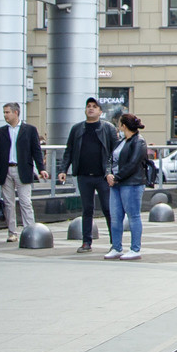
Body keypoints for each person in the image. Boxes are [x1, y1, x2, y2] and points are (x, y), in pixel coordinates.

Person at [61, 98, 115, 252]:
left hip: (103, 176)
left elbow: (115, 152)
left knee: (107, 208)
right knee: (87, 209)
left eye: (94, 107)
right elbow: (69, 151)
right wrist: (63, 170)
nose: (91, 109)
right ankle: (86, 242)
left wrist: (112, 172)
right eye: (88, 106)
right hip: (84, 175)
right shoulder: (77, 129)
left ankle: (115, 242)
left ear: (100, 111)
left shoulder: (108, 128)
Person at [0, 102, 45, 238]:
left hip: (23, 169)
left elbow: (36, 151)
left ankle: (30, 231)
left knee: (25, 201)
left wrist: (41, 169)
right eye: (4, 112)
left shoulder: (30, 130)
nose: (5, 115)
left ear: (16, 113)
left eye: (7, 112)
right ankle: (12, 232)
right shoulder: (0, 132)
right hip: (5, 170)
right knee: (8, 203)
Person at [104, 112, 149, 259]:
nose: (118, 126)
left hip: (132, 183)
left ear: (123, 125)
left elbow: (133, 164)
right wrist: (108, 174)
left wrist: (116, 177)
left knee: (133, 215)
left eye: (119, 123)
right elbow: (110, 159)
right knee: (115, 216)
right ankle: (116, 247)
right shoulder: (121, 141)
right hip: (117, 183)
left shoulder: (139, 141)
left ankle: (135, 249)